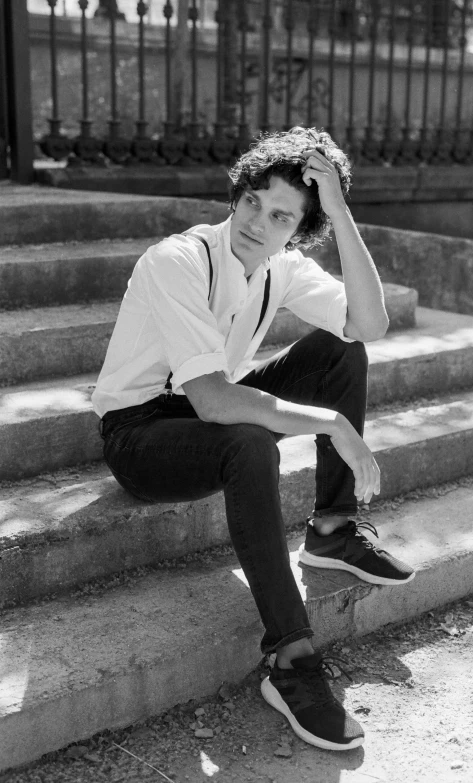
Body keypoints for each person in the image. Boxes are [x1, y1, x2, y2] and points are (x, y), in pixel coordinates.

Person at [92, 126, 415, 752]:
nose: (258, 222)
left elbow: (368, 322)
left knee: (339, 349)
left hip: (209, 412)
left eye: (281, 216)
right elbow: (213, 399)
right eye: (253, 201)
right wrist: (329, 422)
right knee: (248, 439)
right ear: (237, 194)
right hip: (140, 434)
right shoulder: (177, 259)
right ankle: (291, 659)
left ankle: (334, 530)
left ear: (298, 230)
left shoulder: (281, 266)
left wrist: (341, 211)